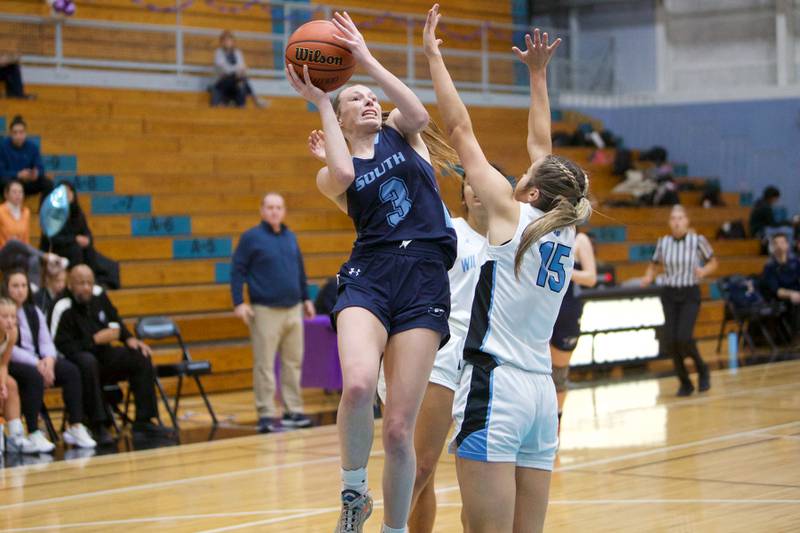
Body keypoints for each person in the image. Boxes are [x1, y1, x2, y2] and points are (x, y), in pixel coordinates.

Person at [286, 10, 459, 532]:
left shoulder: (404, 136)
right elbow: (341, 171)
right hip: (371, 271)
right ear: (338, 118)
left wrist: (364, 60)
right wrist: (320, 98)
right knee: (359, 385)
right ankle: (354, 491)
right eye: (355, 97)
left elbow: (419, 113)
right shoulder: (331, 173)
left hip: (425, 275)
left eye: (370, 96)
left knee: (399, 430)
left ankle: (393, 528)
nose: (369, 100)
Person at [425, 9, 590, 531]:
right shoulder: (565, 227)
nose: (517, 171)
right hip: (541, 391)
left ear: (533, 191)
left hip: (495, 384)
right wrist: (538, 78)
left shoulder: (509, 215)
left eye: (524, 174)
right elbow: (542, 147)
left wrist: (433, 55)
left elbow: (458, 128)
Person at [230, 193, 315, 433]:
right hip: (265, 310)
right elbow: (237, 271)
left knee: (293, 363)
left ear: (284, 211)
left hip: (293, 309)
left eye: (279, 207)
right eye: (270, 207)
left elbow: (299, 270)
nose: (275, 211)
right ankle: (266, 413)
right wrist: (239, 302)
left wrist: (306, 298)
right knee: (265, 365)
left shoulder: (290, 237)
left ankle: (293, 411)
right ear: (262, 210)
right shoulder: (251, 238)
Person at [52, 265, 165, 442]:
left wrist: (129, 338)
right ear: (70, 284)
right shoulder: (62, 306)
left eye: (89, 282)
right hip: (76, 360)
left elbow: (115, 319)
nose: (86, 287)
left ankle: (144, 420)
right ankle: (98, 424)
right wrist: (93, 340)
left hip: (103, 355)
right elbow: (60, 346)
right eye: (81, 283)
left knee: (140, 356)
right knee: (88, 362)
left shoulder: (99, 295)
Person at [4, 269, 96, 449]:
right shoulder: (4, 311)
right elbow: (9, 348)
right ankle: (33, 431)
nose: (20, 290)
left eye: (23, 286)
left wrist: (49, 361)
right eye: (15, 286)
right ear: (6, 289)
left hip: (40, 361)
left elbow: (46, 341)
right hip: (13, 363)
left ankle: (75, 425)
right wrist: (37, 363)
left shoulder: (34, 311)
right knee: (33, 376)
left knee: (71, 371)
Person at [641, 205, 717, 396]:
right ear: (669, 222)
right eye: (673, 218)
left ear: (687, 220)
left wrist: (704, 271)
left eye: (680, 218)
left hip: (690, 292)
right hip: (669, 293)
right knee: (670, 341)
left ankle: (702, 369)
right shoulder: (663, 242)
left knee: (684, 337)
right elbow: (653, 265)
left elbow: (713, 262)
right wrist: (648, 276)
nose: (676, 221)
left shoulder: (697, 240)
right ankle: (685, 382)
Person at [550, 230, 596, 432]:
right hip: (542, 308)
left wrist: (562, 270)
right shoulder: (544, 233)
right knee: (538, 373)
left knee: (558, 374)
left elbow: (591, 277)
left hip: (567, 311)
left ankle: (556, 424)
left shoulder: (580, 239)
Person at [0, 297, 39, 454]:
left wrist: (2, 384)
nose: (10, 321)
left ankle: (16, 435)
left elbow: (3, 364)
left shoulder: (12, 333)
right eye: (4, 317)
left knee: (10, 385)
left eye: (13, 317)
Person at [0, 116, 54, 200]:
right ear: (10, 134)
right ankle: (8, 211)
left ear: (25, 133)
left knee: (48, 183)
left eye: (21, 132)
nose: (18, 136)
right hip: (11, 182)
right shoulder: (3, 147)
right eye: (15, 132)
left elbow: (41, 168)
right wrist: (18, 174)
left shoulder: (33, 147)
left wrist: (36, 174)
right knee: (4, 182)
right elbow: (1, 172)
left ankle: (43, 211)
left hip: (27, 182)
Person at [211, 30, 266, 108]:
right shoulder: (219, 52)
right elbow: (225, 69)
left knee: (241, 84)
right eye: (225, 40)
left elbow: (243, 66)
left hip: (236, 81)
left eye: (229, 40)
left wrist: (239, 70)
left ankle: (241, 106)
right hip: (223, 82)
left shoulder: (237, 52)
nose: (227, 42)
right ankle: (255, 98)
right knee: (241, 80)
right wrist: (237, 70)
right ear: (221, 42)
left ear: (233, 42)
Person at [760, 232, 800, 331]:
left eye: (782, 243)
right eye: (776, 243)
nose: (779, 246)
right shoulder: (769, 267)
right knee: (796, 301)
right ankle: (796, 337)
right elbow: (777, 291)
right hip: (779, 300)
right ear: (772, 247)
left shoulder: (795, 262)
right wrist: (793, 294)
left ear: (787, 245)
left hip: (796, 295)